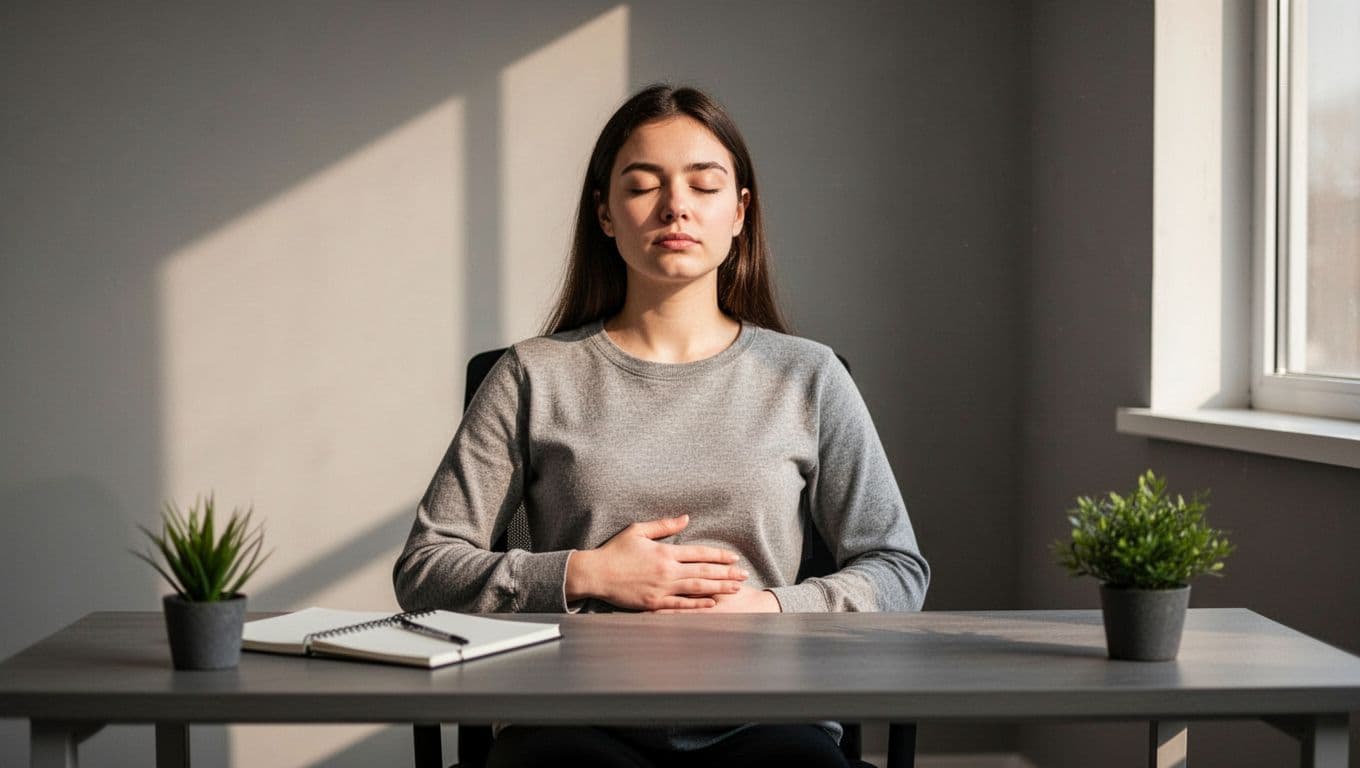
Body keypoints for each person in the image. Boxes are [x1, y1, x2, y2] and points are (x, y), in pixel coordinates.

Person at [394, 83, 929, 768]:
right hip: (571, 721)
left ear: (739, 214)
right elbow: (425, 569)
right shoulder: (533, 374)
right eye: (643, 186)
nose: (676, 207)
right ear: (606, 215)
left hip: (766, 720)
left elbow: (897, 568)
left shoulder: (809, 376)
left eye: (704, 186)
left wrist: (769, 610)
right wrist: (587, 574)